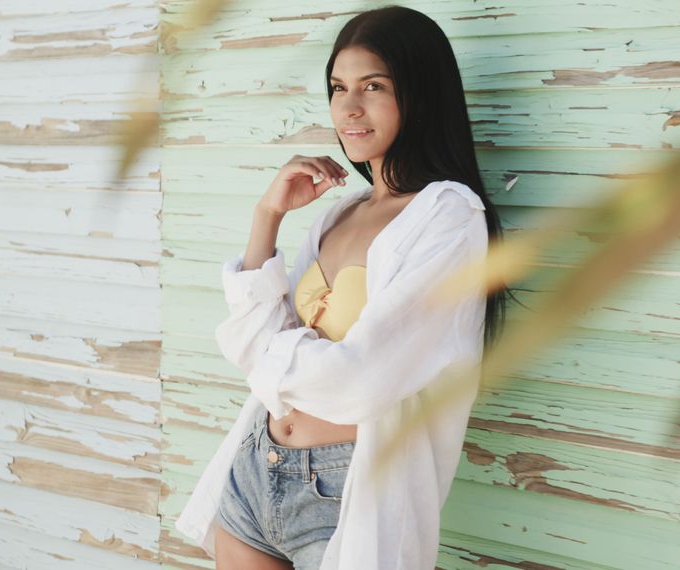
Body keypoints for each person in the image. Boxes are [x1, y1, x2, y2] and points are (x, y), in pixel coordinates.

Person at [174, 5, 517, 569]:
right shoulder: (340, 213)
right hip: (255, 467)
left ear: (420, 93)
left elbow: (360, 381)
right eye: (338, 88)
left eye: (373, 86)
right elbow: (247, 339)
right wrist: (268, 216)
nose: (349, 108)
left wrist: (268, 352)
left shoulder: (450, 218)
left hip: (345, 490)